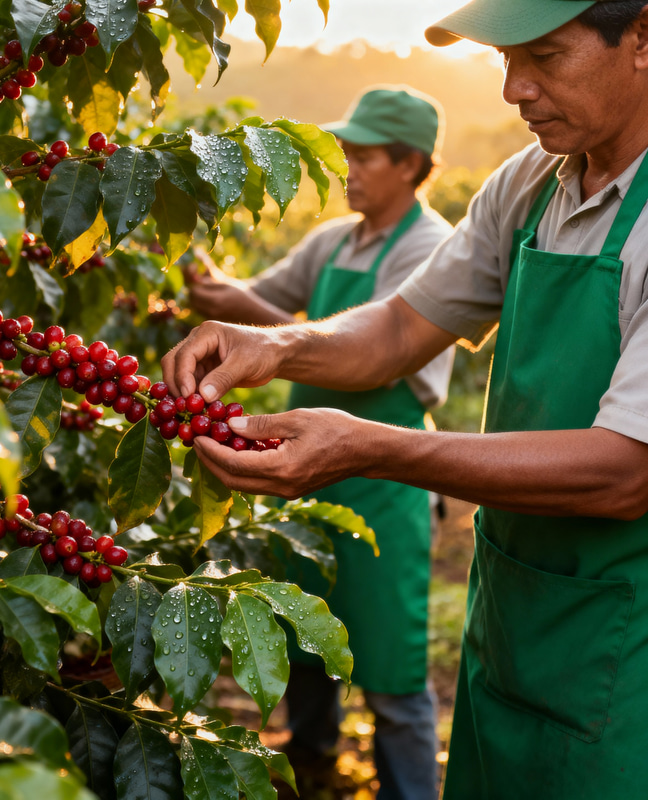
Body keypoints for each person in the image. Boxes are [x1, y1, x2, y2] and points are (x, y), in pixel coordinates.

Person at [162, 1, 648, 797]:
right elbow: (398, 328)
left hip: (630, 656)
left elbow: (627, 469)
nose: (513, 90)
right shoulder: (530, 184)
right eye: (503, 60)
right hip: (515, 621)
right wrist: (277, 343)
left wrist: (373, 447)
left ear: (643, 36)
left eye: (547, 57)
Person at [184, 86, 454, 800]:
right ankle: (312, 761)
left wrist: (249, 320)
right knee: (303, 630)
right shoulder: (332, 239)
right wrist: (208, 287)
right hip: (304, 466)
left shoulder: (432, 248)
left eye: (364, 157)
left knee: (393, 667)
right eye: (347, 155)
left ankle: (409, 790)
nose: (349, 171)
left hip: (384, 480)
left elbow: (379, 353)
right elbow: (262, 299)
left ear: (410, 163)